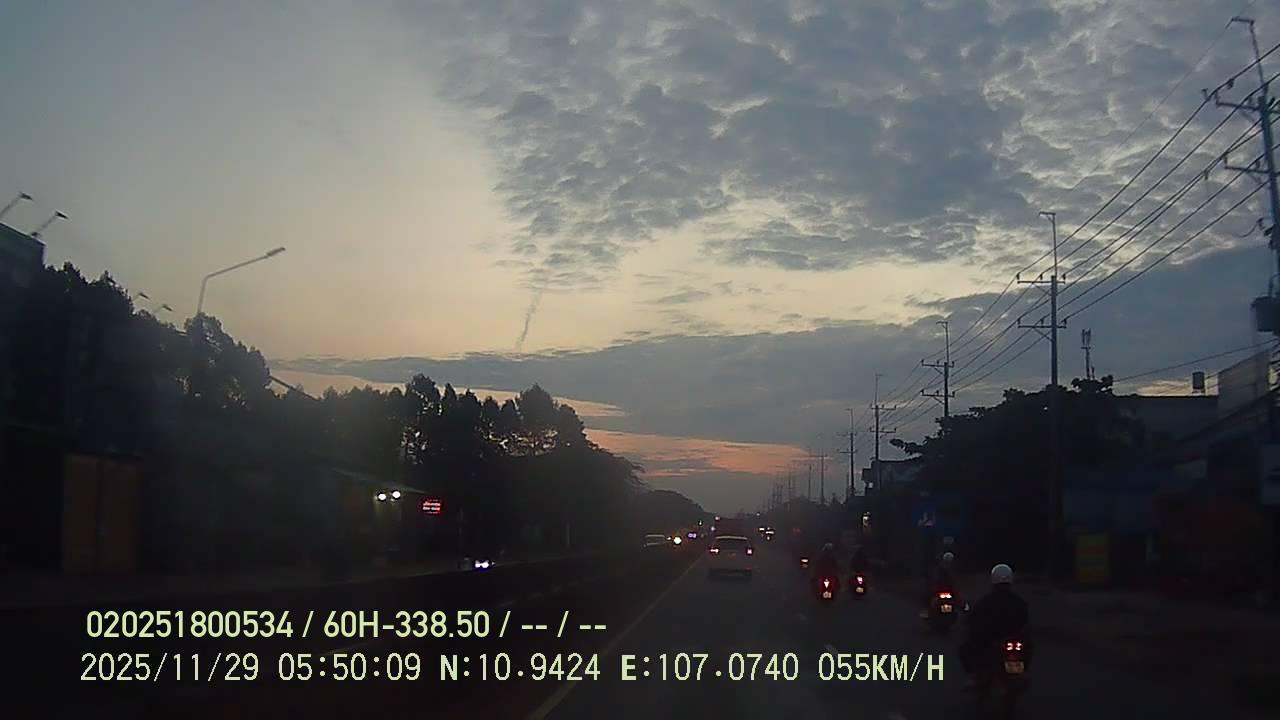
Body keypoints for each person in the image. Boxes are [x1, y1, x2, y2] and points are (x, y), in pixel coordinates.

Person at [960, 564, 1031, 684]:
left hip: (993, 639)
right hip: (1008, 640)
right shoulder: (1018, 601)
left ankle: (974, 677)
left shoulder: (986, 601)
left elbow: (973, 618)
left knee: (967, 648)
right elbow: (1026, 621)